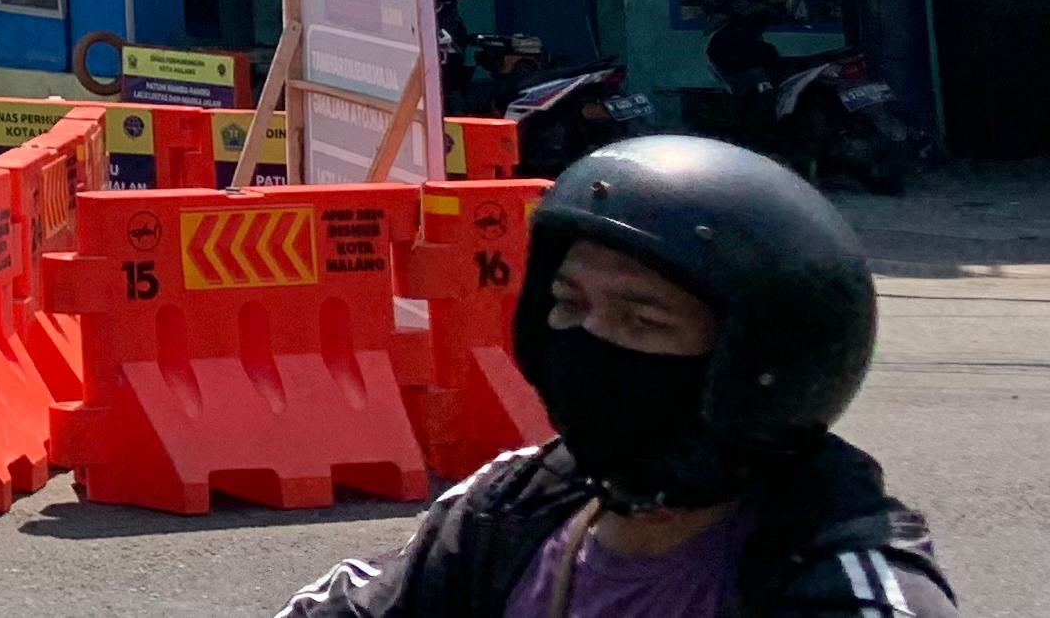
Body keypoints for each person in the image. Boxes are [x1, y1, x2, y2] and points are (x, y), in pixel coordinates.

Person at [275, 134, 955, 618]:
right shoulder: (515, 504)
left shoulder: (842, 585)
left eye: (642, 322)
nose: (591, 343)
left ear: (756, 366)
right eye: (571, 306)